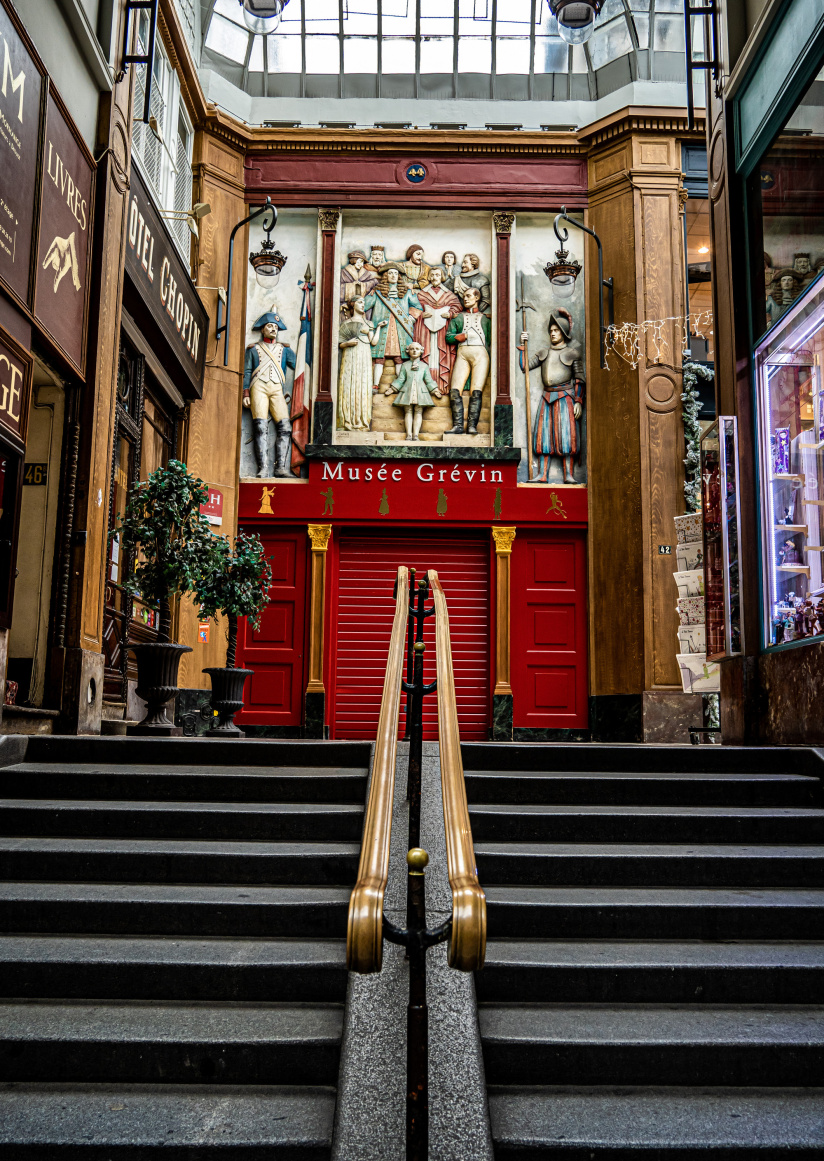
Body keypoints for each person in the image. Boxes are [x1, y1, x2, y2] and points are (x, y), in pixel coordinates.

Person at [519, 308, 585, 484]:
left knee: (566, 436)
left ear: (563, 332)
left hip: (565, 398)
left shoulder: (572, 353)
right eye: (551, 331)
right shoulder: (543, 352)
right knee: (544, 436)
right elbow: (525, 366)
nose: (553, 334)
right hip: (547, 397)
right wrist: (522, 346)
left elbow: (579, 379)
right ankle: (542, 475)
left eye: (556, 330)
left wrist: (578, 401)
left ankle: (568, 475)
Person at [243, 309, 296, 478]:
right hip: (258, 387)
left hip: (276, 389)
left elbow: (297, 364)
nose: (273, 329)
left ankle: (280, 467)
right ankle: (263, 467)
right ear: (263, 329)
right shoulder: (253, 349)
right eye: (270, 326)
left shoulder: (284, 350)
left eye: (275, 326)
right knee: (260, 426)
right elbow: (247, 371)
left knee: (285, 427)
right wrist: (246, 393)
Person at [364, 265, 422, 388]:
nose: (393, 275)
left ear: (399, 276)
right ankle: (375, 385)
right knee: (379, 358)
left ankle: (400, 386)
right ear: (386, 276)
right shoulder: (377, 292)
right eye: (390, 273)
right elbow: (364, 306)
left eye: (396, 273)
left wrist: (411, 318)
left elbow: (417, 307)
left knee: (399, 357)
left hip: (400, 329)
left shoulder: (406, 292)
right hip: (383, 328)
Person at [445, 286, 490, 435]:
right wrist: (460, 337)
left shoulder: (485, 319)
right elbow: (449, 336)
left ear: (477, 298)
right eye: (464, 296)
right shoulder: (458, 318)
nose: (466, 298)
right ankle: (458, 425)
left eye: (469, 296)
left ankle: (472, 426)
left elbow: (490, 340)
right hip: (463, 354)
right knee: (454, 389)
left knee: (476, 391)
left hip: (480, 355)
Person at [337, 297, 387, 432]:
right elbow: (340, 343)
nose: (363, 304)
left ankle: (361, 421)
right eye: (360, 302)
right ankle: (347, 420)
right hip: (350, 355)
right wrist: (348, 343)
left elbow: (374, 342)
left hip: (364, 355)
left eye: (364, 302)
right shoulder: (347, 323)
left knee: (363, 384)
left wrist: (379, 328)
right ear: (353, 305)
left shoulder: (369, 323)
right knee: (349, 384)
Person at [412, 266, 462, 396]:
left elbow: (457, 307)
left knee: (441, 355)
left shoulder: (448, 294)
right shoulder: (422, 293)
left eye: (437, 275)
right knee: (427, 354)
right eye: (432, 275)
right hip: (425, 330)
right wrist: (420, 314)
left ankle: (441, 385)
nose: (435, 278)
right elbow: (411, 307)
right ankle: (424, 386)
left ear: (442, 277)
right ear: (429, 277)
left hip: (442, 329)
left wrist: (450, 313)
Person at [385, 341, 437, 441]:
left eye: (417, 349)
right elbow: (401, 379)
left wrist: (434, 390)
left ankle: (416, 435)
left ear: (421, 351)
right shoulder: (405, 365)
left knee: (418, 411)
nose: (414, 351)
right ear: (408, 351)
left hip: (420, 392)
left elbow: (428, 379)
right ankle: (409, 434)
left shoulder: (424, 366)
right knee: (408, 411)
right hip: (408, 391)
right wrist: (393, 388)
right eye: (412, 349)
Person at [340, 250, 378, 317]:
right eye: (360, 261)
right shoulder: (343, 272)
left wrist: (362, 285)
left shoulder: (365, 273)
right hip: (346, 306)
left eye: (362, 262)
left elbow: (374, 282)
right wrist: (353, 286)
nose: (361, 264)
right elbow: (336, 288)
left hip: (363, 306)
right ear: (354, 260)